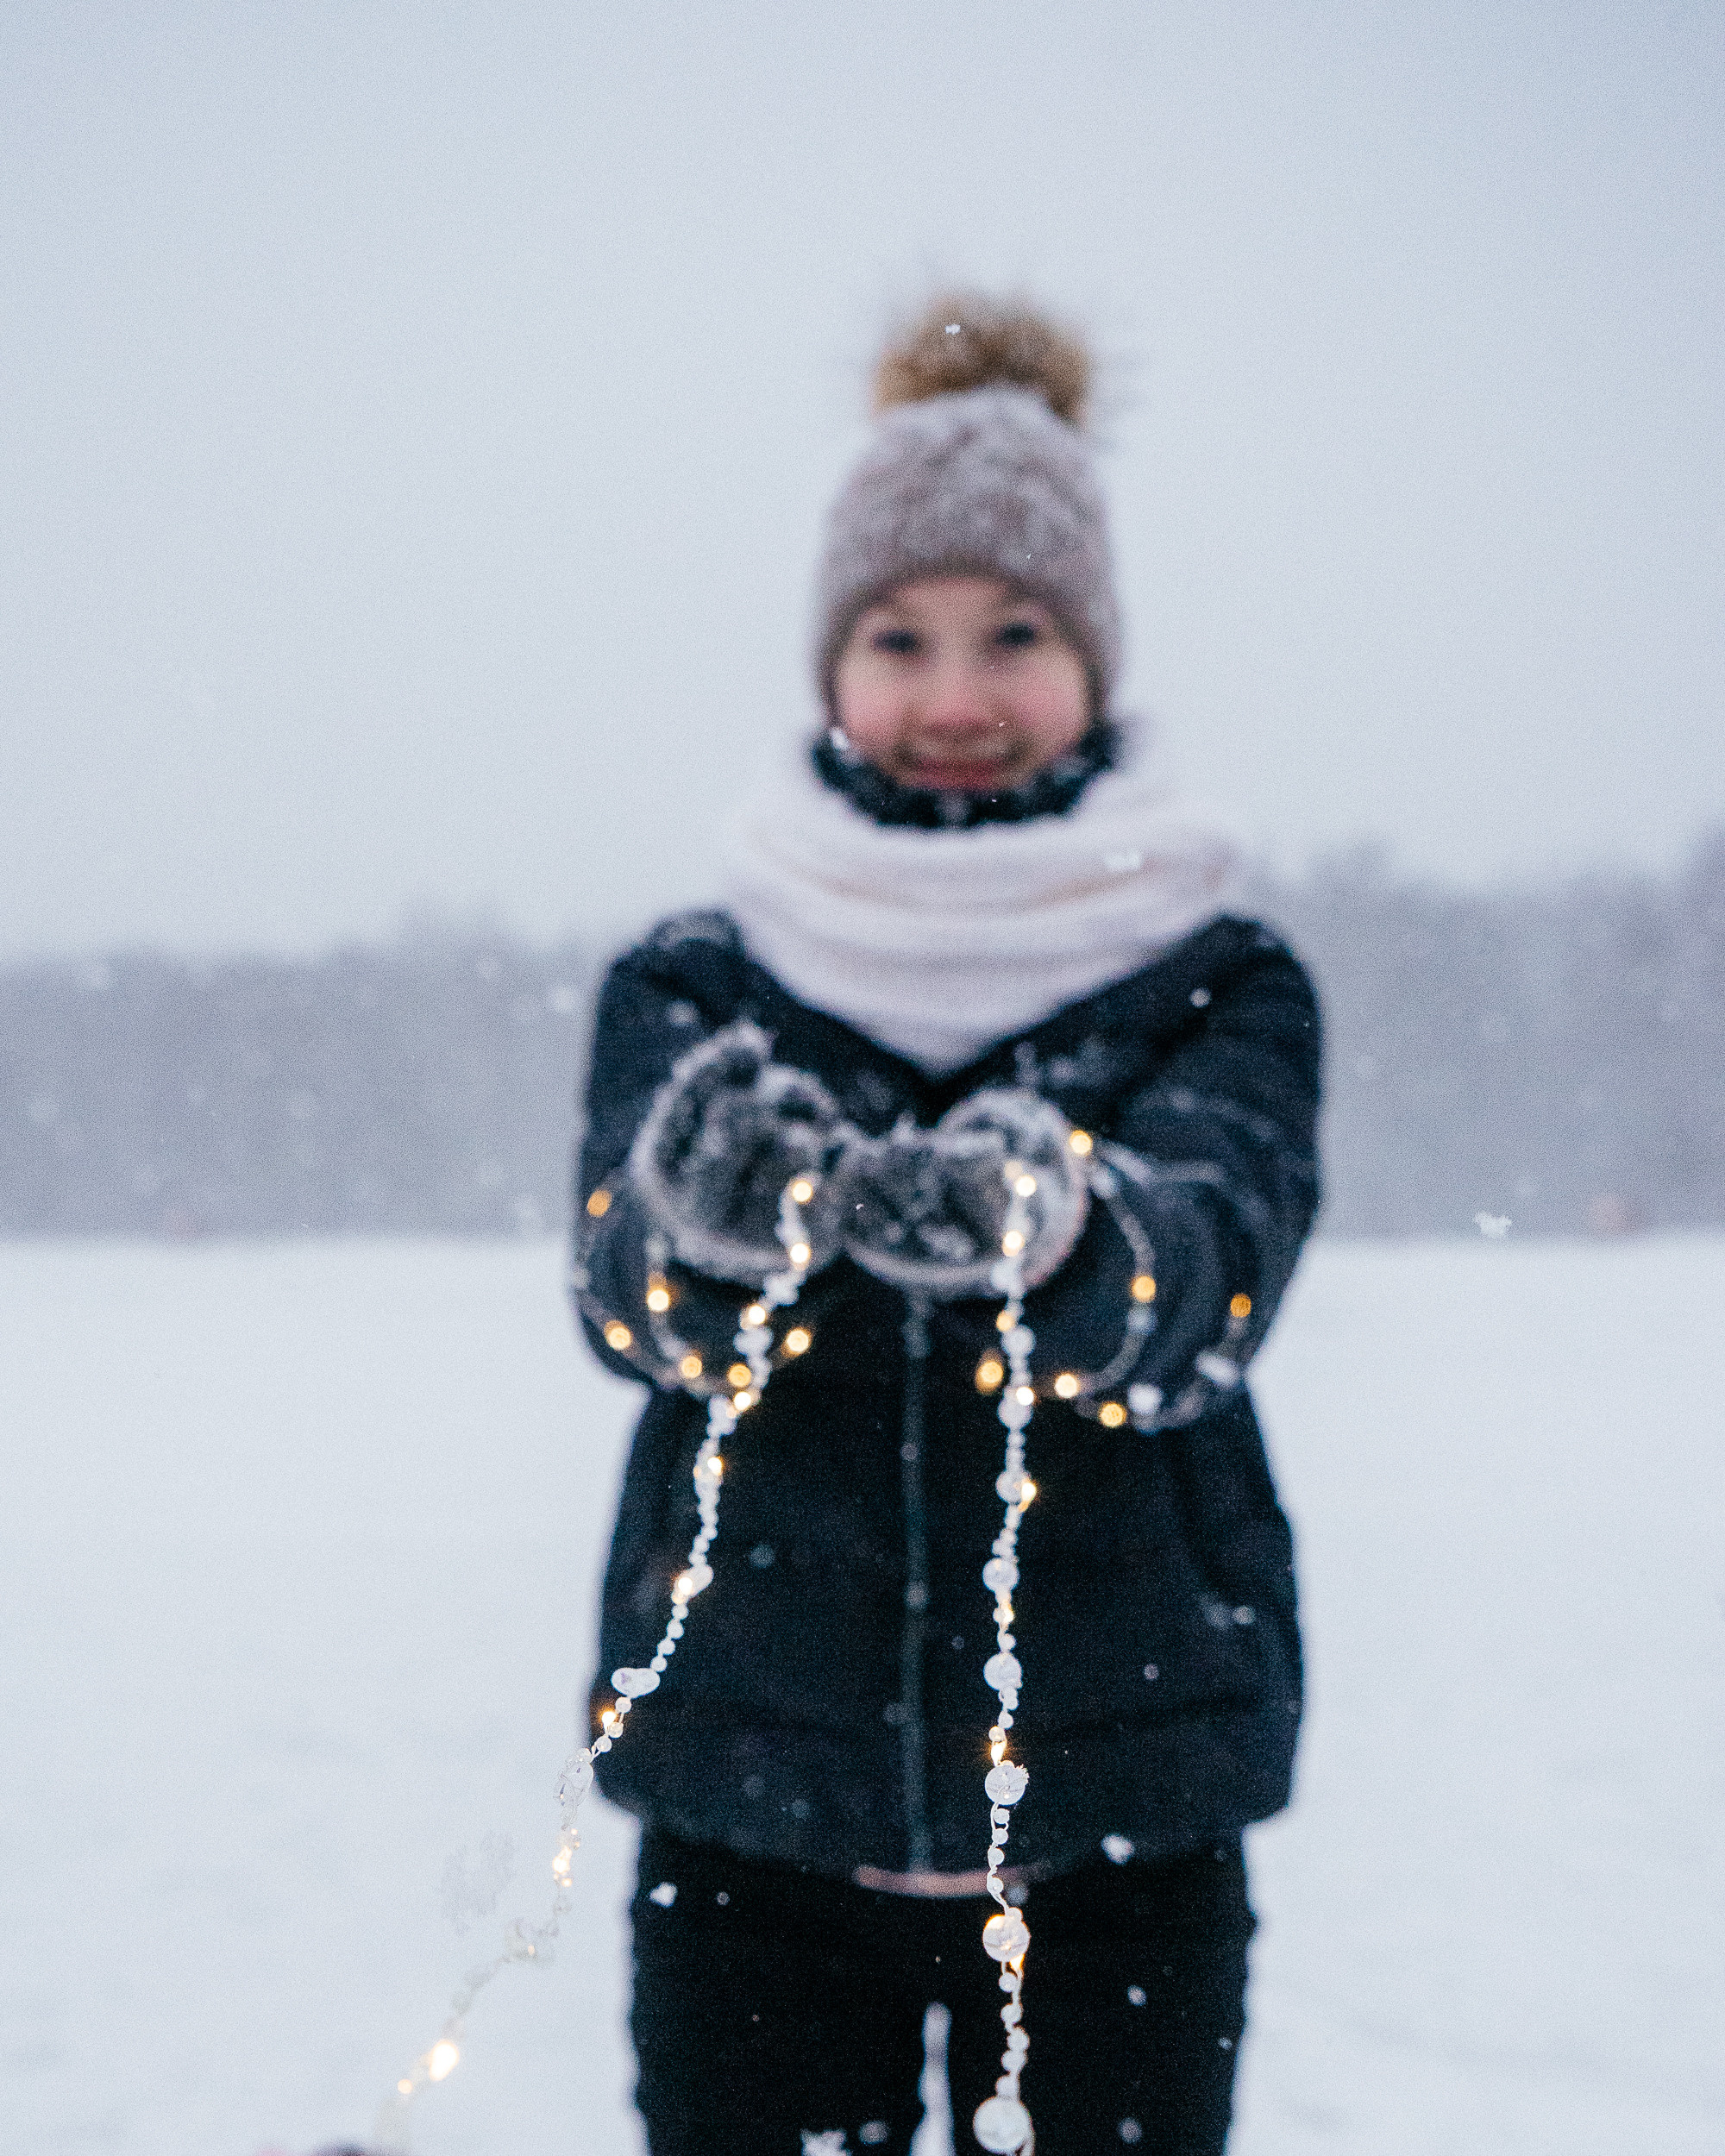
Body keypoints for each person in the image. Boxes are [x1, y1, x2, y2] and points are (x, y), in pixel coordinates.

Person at [570, 296, 1321, 2156]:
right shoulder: (700, 974)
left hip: (1114, 1813)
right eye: (898, 637)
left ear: (1096, 656)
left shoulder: (1212, 974)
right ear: (833, 662)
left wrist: (1067, 1234)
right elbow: (622, 1298)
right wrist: (699, 1221)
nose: (955, 689)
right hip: (753, 1789)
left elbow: (1206, 1271)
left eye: (1015, 631)